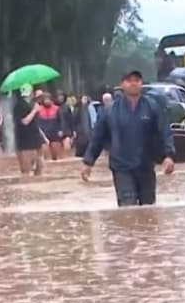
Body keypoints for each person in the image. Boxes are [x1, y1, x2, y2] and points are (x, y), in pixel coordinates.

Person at [80, 69, 176, 207]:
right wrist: (88, 162)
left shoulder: (152, 107)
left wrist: (168, 156)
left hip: (146, 166)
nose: (133, 84)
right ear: (122, 84)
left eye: (136, 80)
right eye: (129, 80)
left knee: (148, 209)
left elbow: (164, 131)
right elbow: (97, 138)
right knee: (128, 209)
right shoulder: (110, 110)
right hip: (121, 167)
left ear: (141, 83)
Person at [13, 84, 45, 176]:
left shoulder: (31, 104)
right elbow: (25, 121)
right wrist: (34, 110)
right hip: (25, 141)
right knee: (26, 170)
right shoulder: (20, 105)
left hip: (34, 137)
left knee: (39, 163)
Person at [36, 93, 65, 160]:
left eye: (48, 99)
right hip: (44, 134)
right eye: (45, 100)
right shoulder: (39, 110)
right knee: (45, 156)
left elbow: (62, 121)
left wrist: (61, 130)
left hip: (55, 133)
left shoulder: (57, 109)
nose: (47, 101)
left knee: (55, 155)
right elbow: (37, 123)